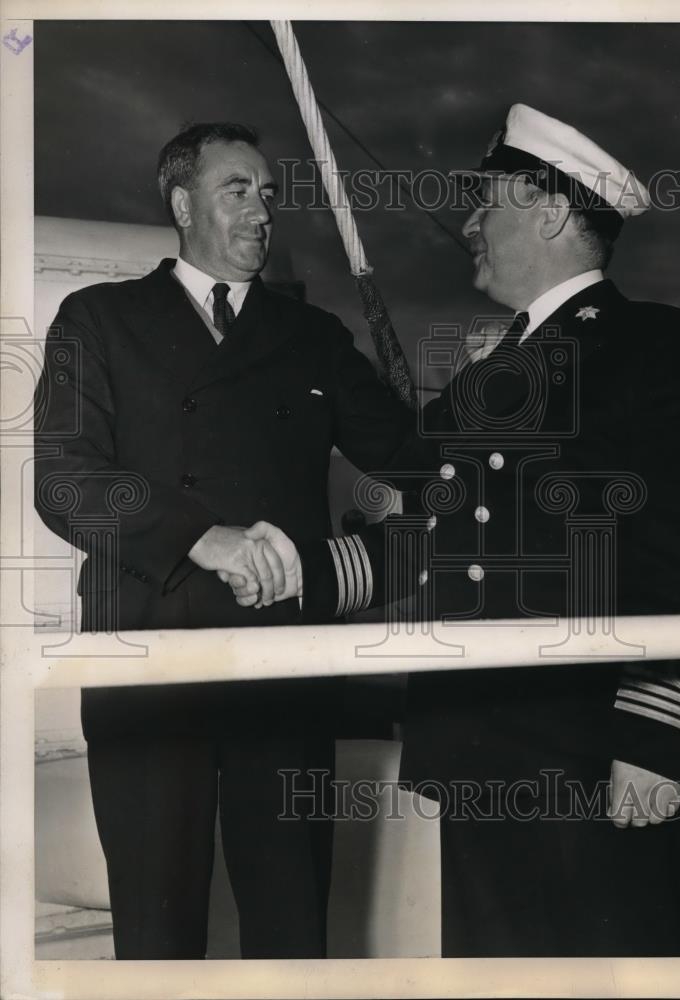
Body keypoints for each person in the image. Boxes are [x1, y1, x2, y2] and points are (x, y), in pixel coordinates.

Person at [236, 105, 680, 956]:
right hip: (480, 746)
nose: (467, 221)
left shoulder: (656, 344)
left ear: (551, 211)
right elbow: (435, 541)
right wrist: (300, 574)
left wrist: (660, 736)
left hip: (593, 749)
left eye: (489, 201)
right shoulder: (484, 374)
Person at [34, 122, 413, 959]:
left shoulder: (311, 335)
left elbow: (416, 462)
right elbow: (63, 480)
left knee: (290, 927)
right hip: (146, 661)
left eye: (269, 193)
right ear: (181, 202)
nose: (261, 210)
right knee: (157, 932)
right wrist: (201, 535)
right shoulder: (99, 320)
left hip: (283, 671)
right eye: (237, 189)